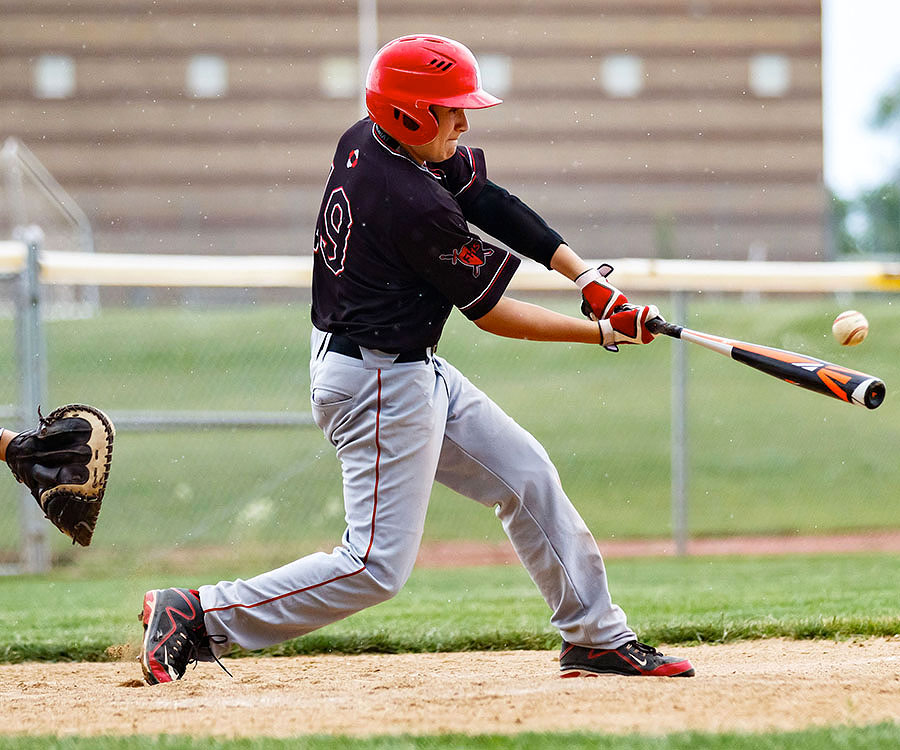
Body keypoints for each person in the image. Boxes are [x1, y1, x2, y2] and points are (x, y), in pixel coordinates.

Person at [139, 34, 694, 684]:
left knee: (527, 475)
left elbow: (488, 200)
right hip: (377, 383)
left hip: (398, 364)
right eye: (450, 109)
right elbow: (493, 315)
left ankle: (595, 637)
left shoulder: (374, 137)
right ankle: (198, 615)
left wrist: (584, 278)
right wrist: (599, 334)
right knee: (373, 566)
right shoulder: (412, 202)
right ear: (407, 113)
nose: (463, 120)